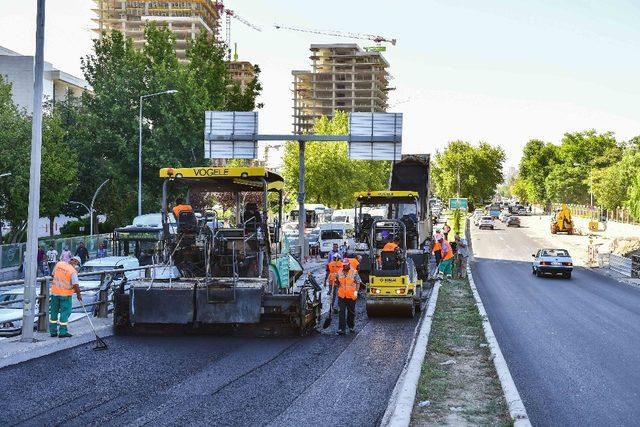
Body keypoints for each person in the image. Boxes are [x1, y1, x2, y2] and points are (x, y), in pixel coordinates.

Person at [49, 256, 82, 338]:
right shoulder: (72, 271)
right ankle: (62, 332)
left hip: (54, 293)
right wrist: (78, 294)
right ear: (76, 263)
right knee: (65, 312)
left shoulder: (59, 264)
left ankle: (53, 332)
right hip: (65, 295)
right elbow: (75, 285)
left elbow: (53, 275)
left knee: (54, 312)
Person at [333, 258, 363, 335]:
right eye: (344, 265)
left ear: (349, 264)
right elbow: (337, 283)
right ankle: (341, 329)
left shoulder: (354, 272)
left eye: (346, 265)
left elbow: (358, 282)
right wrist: (335, 282)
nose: (345, 266)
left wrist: (356, 292)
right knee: (341, 312)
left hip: (351, 296)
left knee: (351, 312)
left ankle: (351, 326)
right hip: (342, 296)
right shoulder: (339, 272)